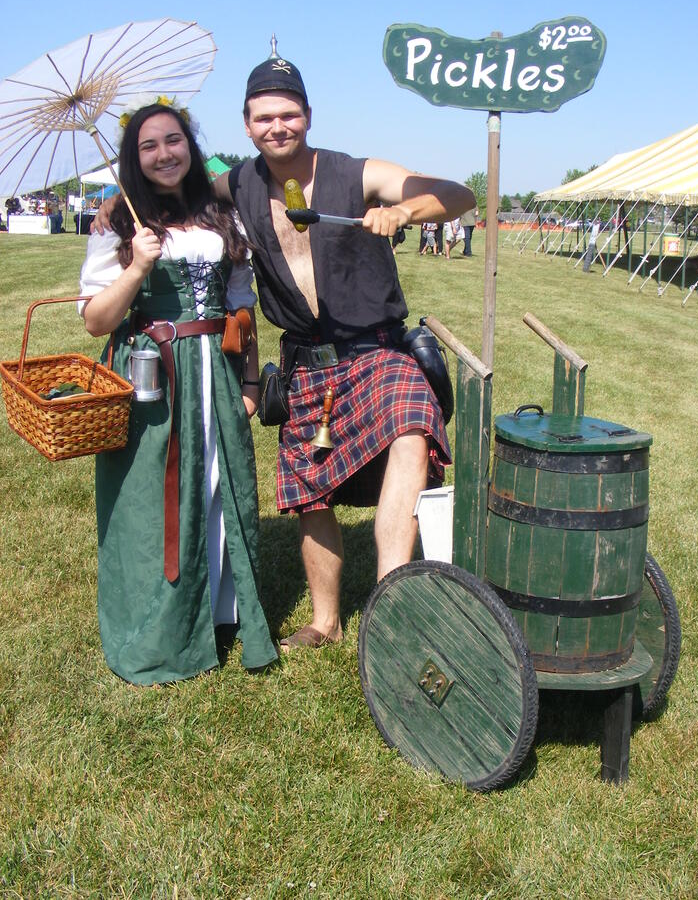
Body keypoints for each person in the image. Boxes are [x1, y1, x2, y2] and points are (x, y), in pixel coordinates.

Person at [213, 53, 475, 649]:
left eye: (288, 114)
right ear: (247, 125)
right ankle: (325, 621)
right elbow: (175, 194)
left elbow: (456, 193)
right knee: (310, 490)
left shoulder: (356, 174)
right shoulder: (237, 183)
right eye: (263, 118)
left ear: (308, 115)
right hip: (306, 361)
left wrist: (404, 209)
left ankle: (390, 607)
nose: (276, 126)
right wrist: (118, 210)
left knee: (412, 433)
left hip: (377, 349)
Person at [79, 102, 276, 684]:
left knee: (218, 481)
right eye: (149, 146)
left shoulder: (220, 213)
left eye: (173, 141)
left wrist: (247, 381)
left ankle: (218, 611)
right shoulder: (117, 225)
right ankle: (161, 624)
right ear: (133, 158)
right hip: (151, 375)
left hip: (215, 368)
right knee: (152, 498)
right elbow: (95, 320)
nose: (164, 154)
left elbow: (243, 305)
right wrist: (136, 268)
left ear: (190, 145)